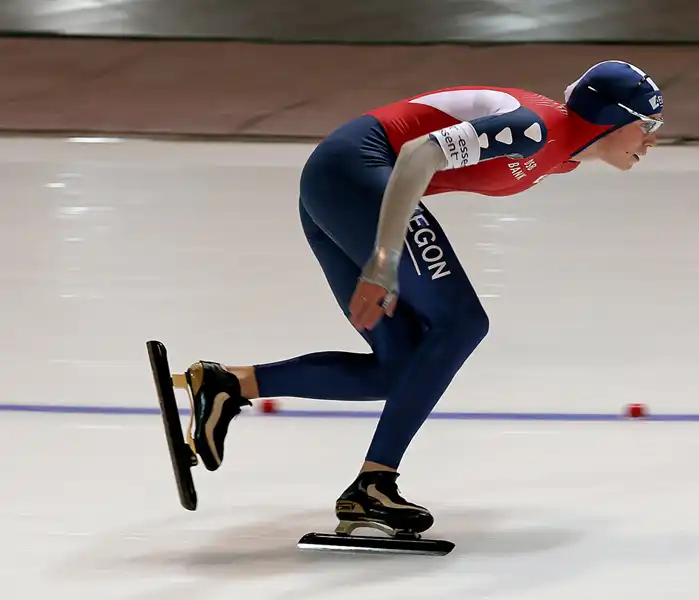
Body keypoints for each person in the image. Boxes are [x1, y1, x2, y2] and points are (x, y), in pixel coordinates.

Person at [181, 59, 664, 536]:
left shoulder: (564, 157)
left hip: (345, 186)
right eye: (647, 123)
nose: (652, 139)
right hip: (356, 174)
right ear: (611, 118)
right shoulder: (536, 130)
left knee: (402, 368)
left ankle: (228, 385)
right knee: (461, 323)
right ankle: (375, 483)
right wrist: (386, 259)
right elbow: (416, 155)